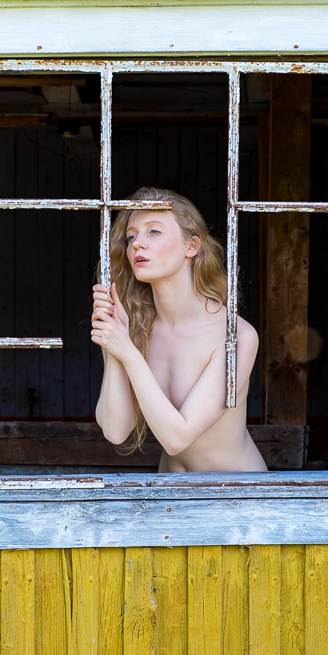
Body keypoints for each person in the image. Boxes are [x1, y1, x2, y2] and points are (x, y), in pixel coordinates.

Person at [91, 187, 267, 473]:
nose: (137, 244)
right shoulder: (137, 329)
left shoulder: (236, 336)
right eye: (131, 236)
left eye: (154, 231)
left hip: (235, 493)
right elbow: (115, 430)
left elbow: (177, 439)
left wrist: (128, 352)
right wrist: (114, 343)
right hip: (170, 492)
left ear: (191, 246)